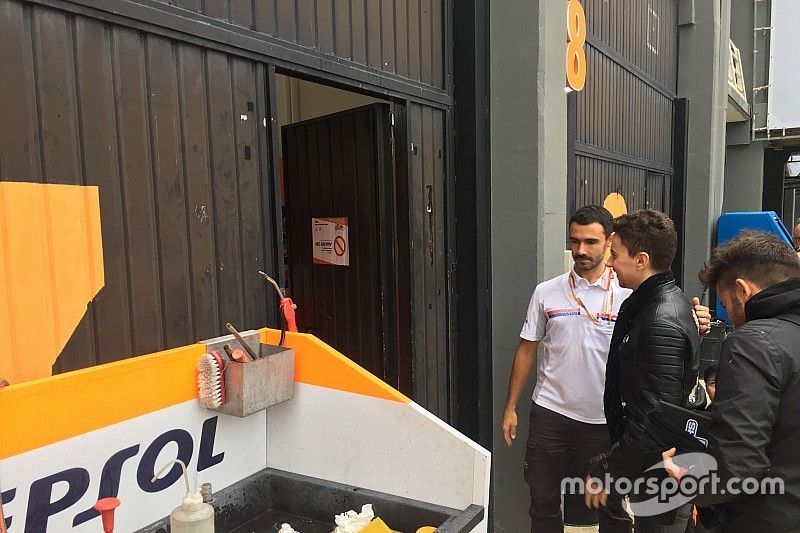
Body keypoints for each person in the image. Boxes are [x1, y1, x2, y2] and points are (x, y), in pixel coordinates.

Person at [502, 206, 710, 533]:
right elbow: (527, 347)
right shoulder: (548, 291)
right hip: (551, 412)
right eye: (574, 241)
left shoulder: (633, 293)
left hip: (606, 421)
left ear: (609, 242)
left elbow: (667, 342)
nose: (581, 250)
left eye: (592, 242)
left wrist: (695, 323)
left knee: (612, 508)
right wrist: (511, 407)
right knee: (542, 500)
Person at [661, 231, 800, 532]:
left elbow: (738, 465)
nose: (731, 319)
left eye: (725, 305)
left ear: (743, 290)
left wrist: (690, 481)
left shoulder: (753, 342)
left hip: (765, 517)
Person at [588, 209, 701, 532]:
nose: (609, 263)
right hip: (652, 466)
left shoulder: (659, 320)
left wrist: (607, 469)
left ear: (641, 260)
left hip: (661, 472)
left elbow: (654, 416)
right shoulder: (647, 303)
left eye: (615, 254)